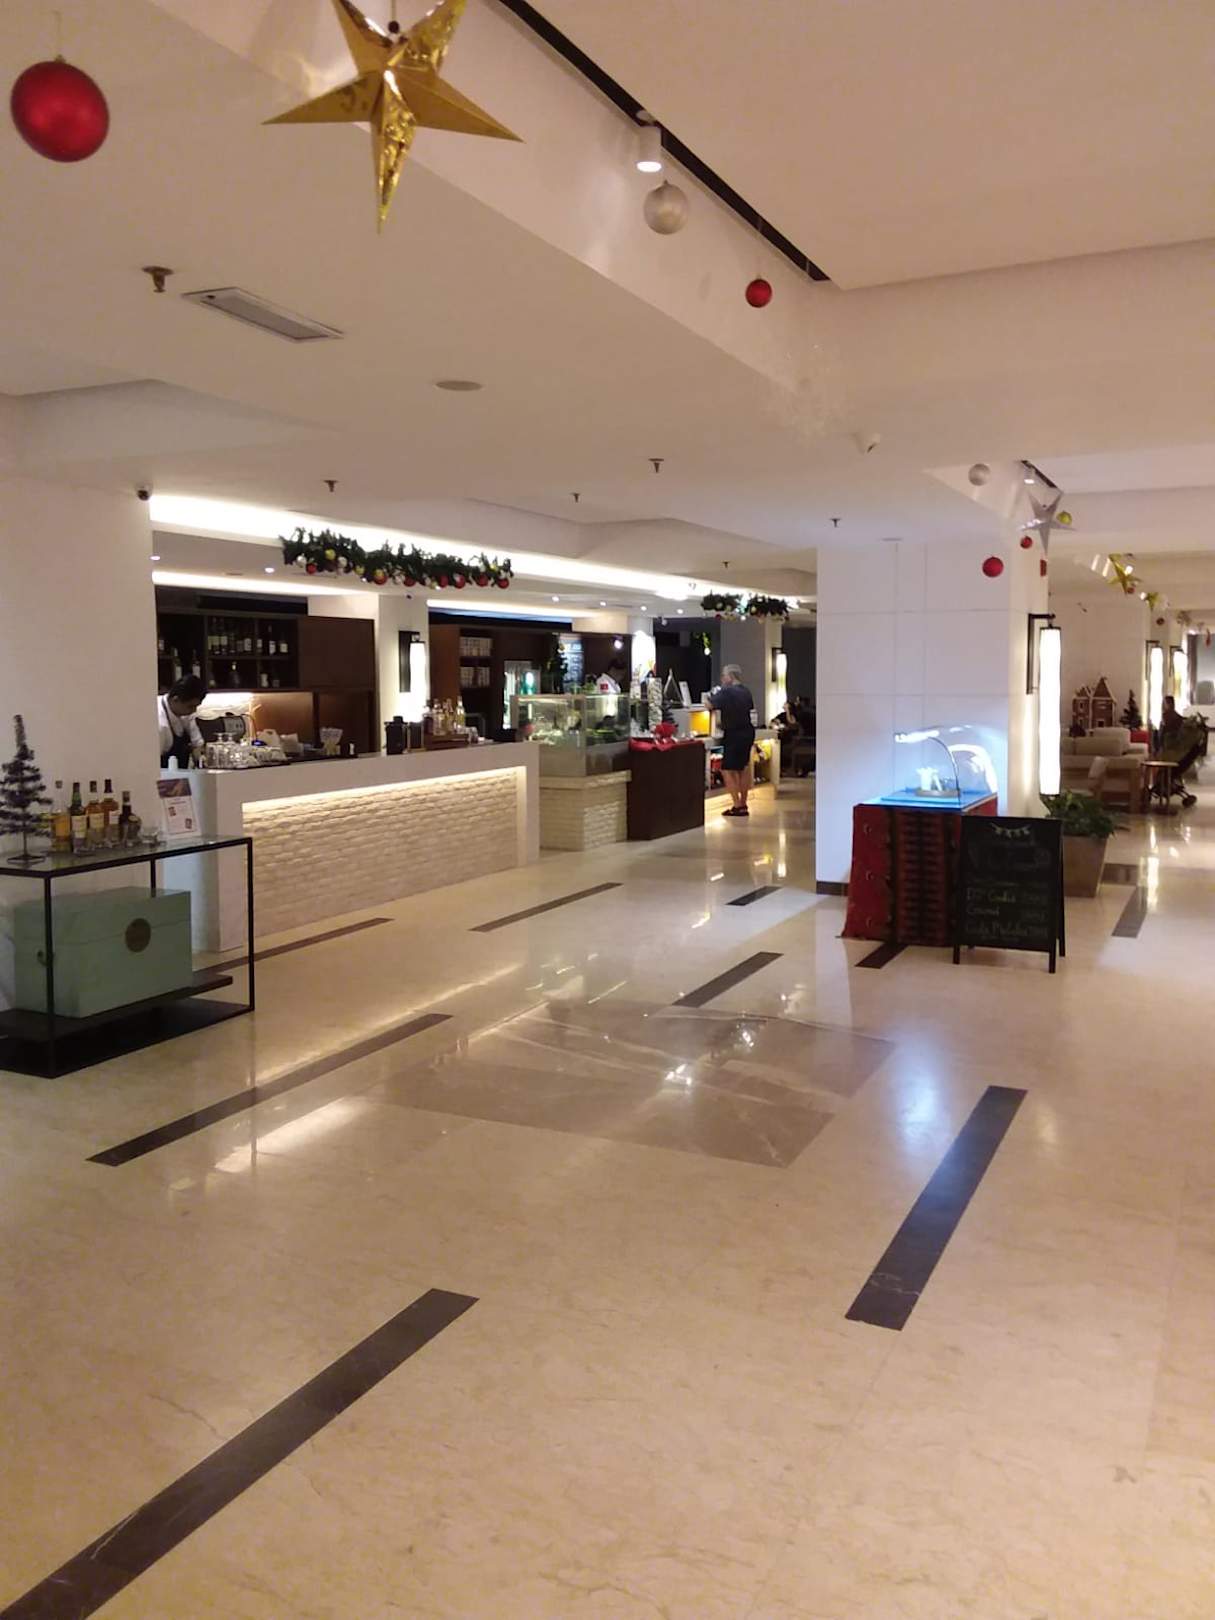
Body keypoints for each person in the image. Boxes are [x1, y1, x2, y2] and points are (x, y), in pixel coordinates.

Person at [709, 663, 756, 817]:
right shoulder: (746, 691)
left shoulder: (726, 691)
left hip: (733, 733)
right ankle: (743, 803)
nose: (722, 679)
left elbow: (709, 705)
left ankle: (736, 805)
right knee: (743, 767)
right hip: (747, 732)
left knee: (727, 769)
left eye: (723, 676)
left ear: (730, 676)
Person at [157, 674, 207, 768]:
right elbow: (152, 762)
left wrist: (200, 758)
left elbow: (197, 744)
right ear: (175, 700)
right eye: (191, 706)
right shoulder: (159, 722)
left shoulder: (186, 713)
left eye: (196, 706)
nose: (194, 710)